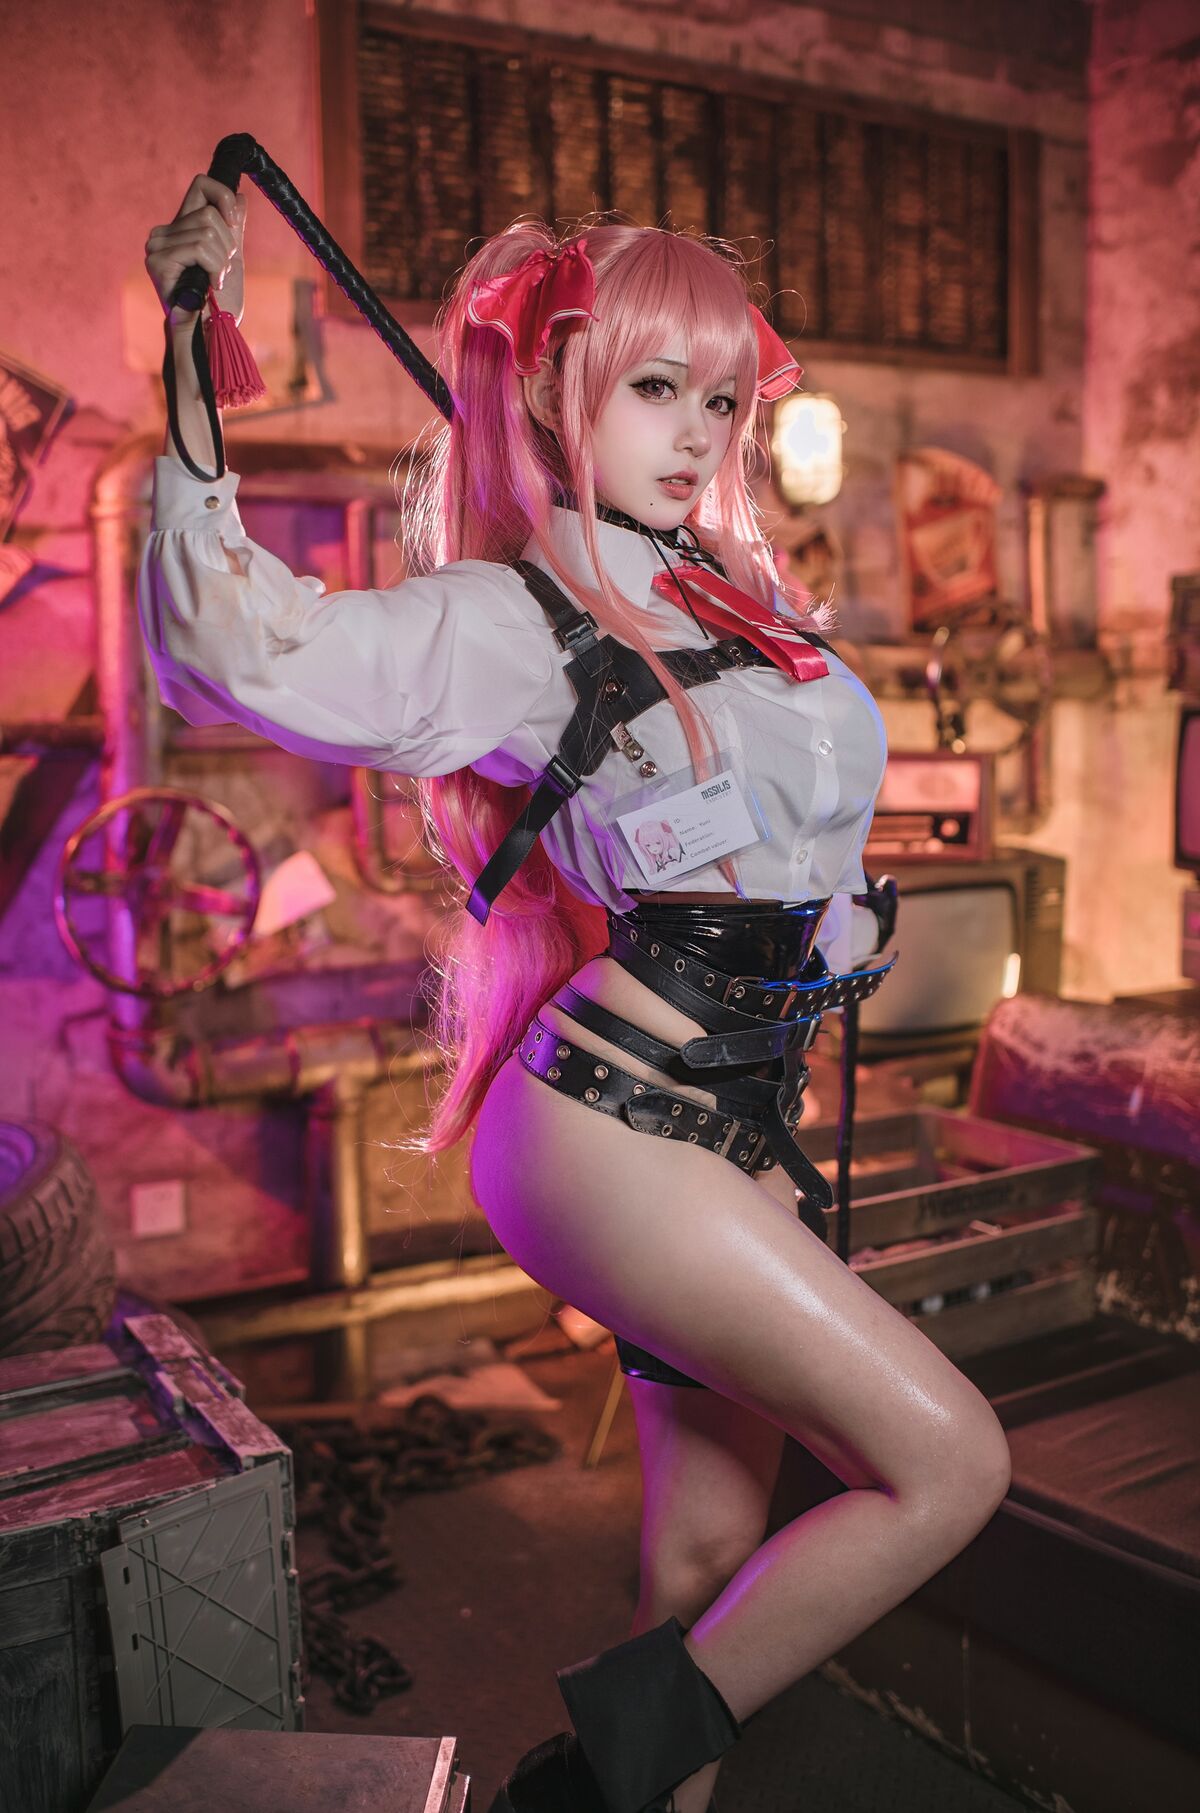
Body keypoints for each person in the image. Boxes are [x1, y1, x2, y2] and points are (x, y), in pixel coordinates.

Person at [142, 175, 1012, 1813]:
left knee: (701, 1563)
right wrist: (189, 351)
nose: (697, 433)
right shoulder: (513, 619)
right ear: (557, 390)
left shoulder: (723, 595)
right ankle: (574, 1788)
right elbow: (231, 649)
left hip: (734, 1122)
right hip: (613, 1128)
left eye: (723, 398)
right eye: (654, 386)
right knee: (952, 1460)